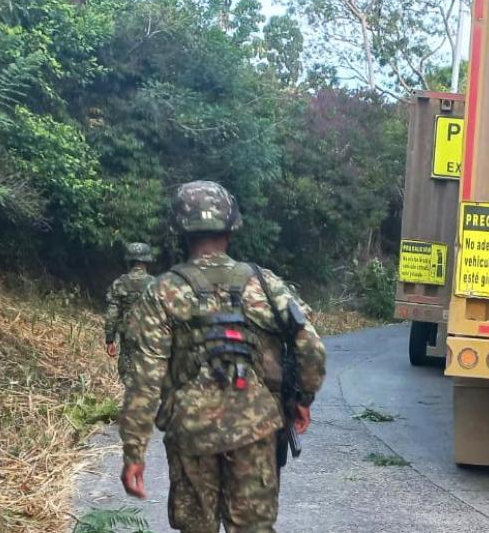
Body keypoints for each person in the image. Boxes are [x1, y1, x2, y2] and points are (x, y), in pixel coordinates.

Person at [119, 180, 326, 532]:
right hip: (256, 427)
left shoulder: (163, 291)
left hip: (191, 433)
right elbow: (310, 346)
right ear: (231, 228)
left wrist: (134, 452)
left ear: (179, 233)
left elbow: (144, 380)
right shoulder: (264, 283)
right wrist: (302, 398)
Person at [104, 242, 156, 388]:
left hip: (128, 337)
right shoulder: (155, 284)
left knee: (128, 373)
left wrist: (110, 339)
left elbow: (112, 314)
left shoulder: (120, 283)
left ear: (129, 261)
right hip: (151, 337)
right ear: (147, 260)